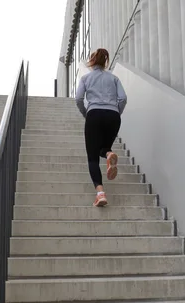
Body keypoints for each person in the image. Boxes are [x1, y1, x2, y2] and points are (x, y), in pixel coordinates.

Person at [75, 48, 128, 207]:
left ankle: (100, 194)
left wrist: (87, 113)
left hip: (94, 115)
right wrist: (116, 113)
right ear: (106, 62)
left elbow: (78, 99)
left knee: (93, 157)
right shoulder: (114, 78)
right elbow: (123, 98)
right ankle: (109, 153)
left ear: (91, 62)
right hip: (113, 116)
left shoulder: (86, 78)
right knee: (103, 147)